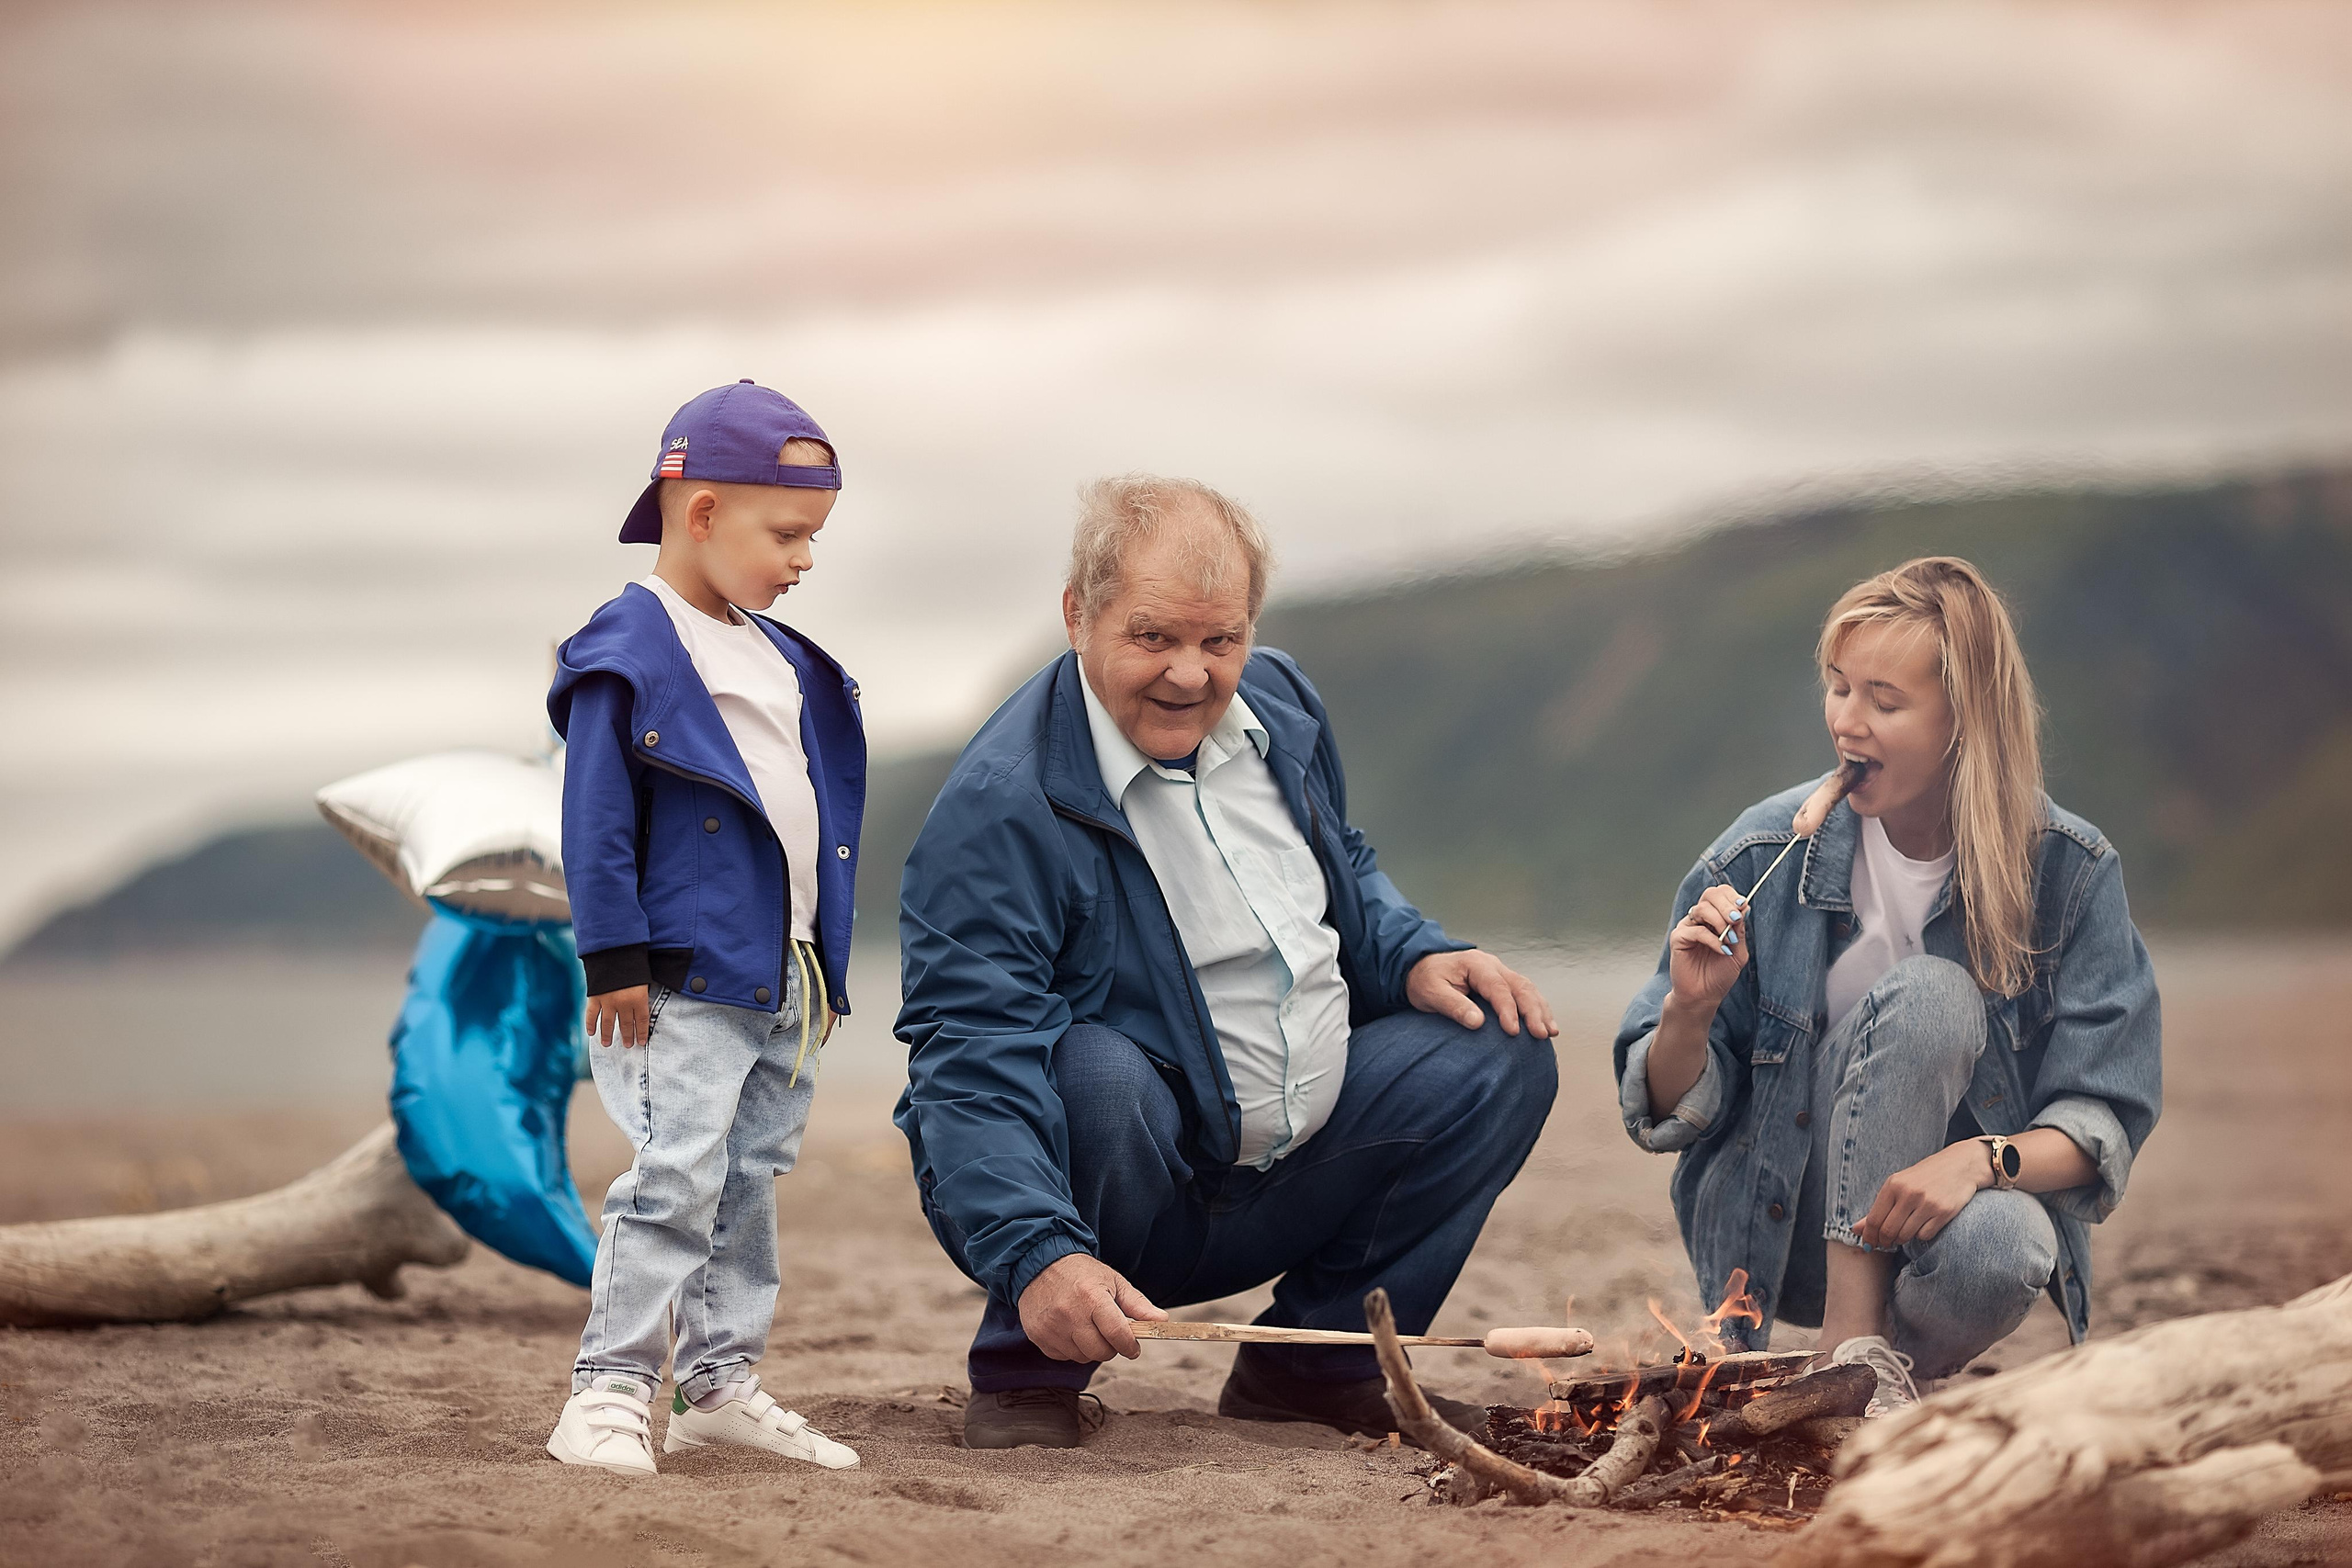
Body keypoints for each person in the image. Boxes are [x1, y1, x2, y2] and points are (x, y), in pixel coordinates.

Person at [896, 474, 1563, 1450]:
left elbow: (1342, 874)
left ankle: (1313, 1369)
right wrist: (1034, 1253)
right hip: (1130, 1203)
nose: (1190, 676)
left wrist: (1415, 952)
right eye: (1154, 638)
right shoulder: (999, 809)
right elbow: (967, 1057)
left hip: (1301, 1168)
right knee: (1092, 1073)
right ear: (1079, 614)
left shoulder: (1283, 704)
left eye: (1220, 640)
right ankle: (1028, 1371)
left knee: (1497, 1045)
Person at [1613, 556, 2160, 1415]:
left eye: (1884, 700)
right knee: (1933, 993)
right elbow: (1671, 1111)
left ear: (1962, 719)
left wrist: (1978, 1161)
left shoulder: (2071, 869)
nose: (1846, 722)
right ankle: (1848, 1347)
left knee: (2016, 1238)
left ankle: (1880, 1376)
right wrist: (1693, 1005)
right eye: (1839, 689)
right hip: (1779, 1228)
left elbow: (2102, 1121)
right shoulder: (1760, 852)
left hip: (1938, 1238)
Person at [540, 380, 868, 1475]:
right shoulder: (626, 651)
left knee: (746, 1183)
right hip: (675, 979)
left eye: (813, 537)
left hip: (781, 974)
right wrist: (613, 958)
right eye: (788, 534)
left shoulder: (780, 657)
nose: (803, 561)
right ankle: (606, 1390)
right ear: (703, 510)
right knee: (674, 1178)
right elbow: (594, 821)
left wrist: (817, 960)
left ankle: (718, 1383)